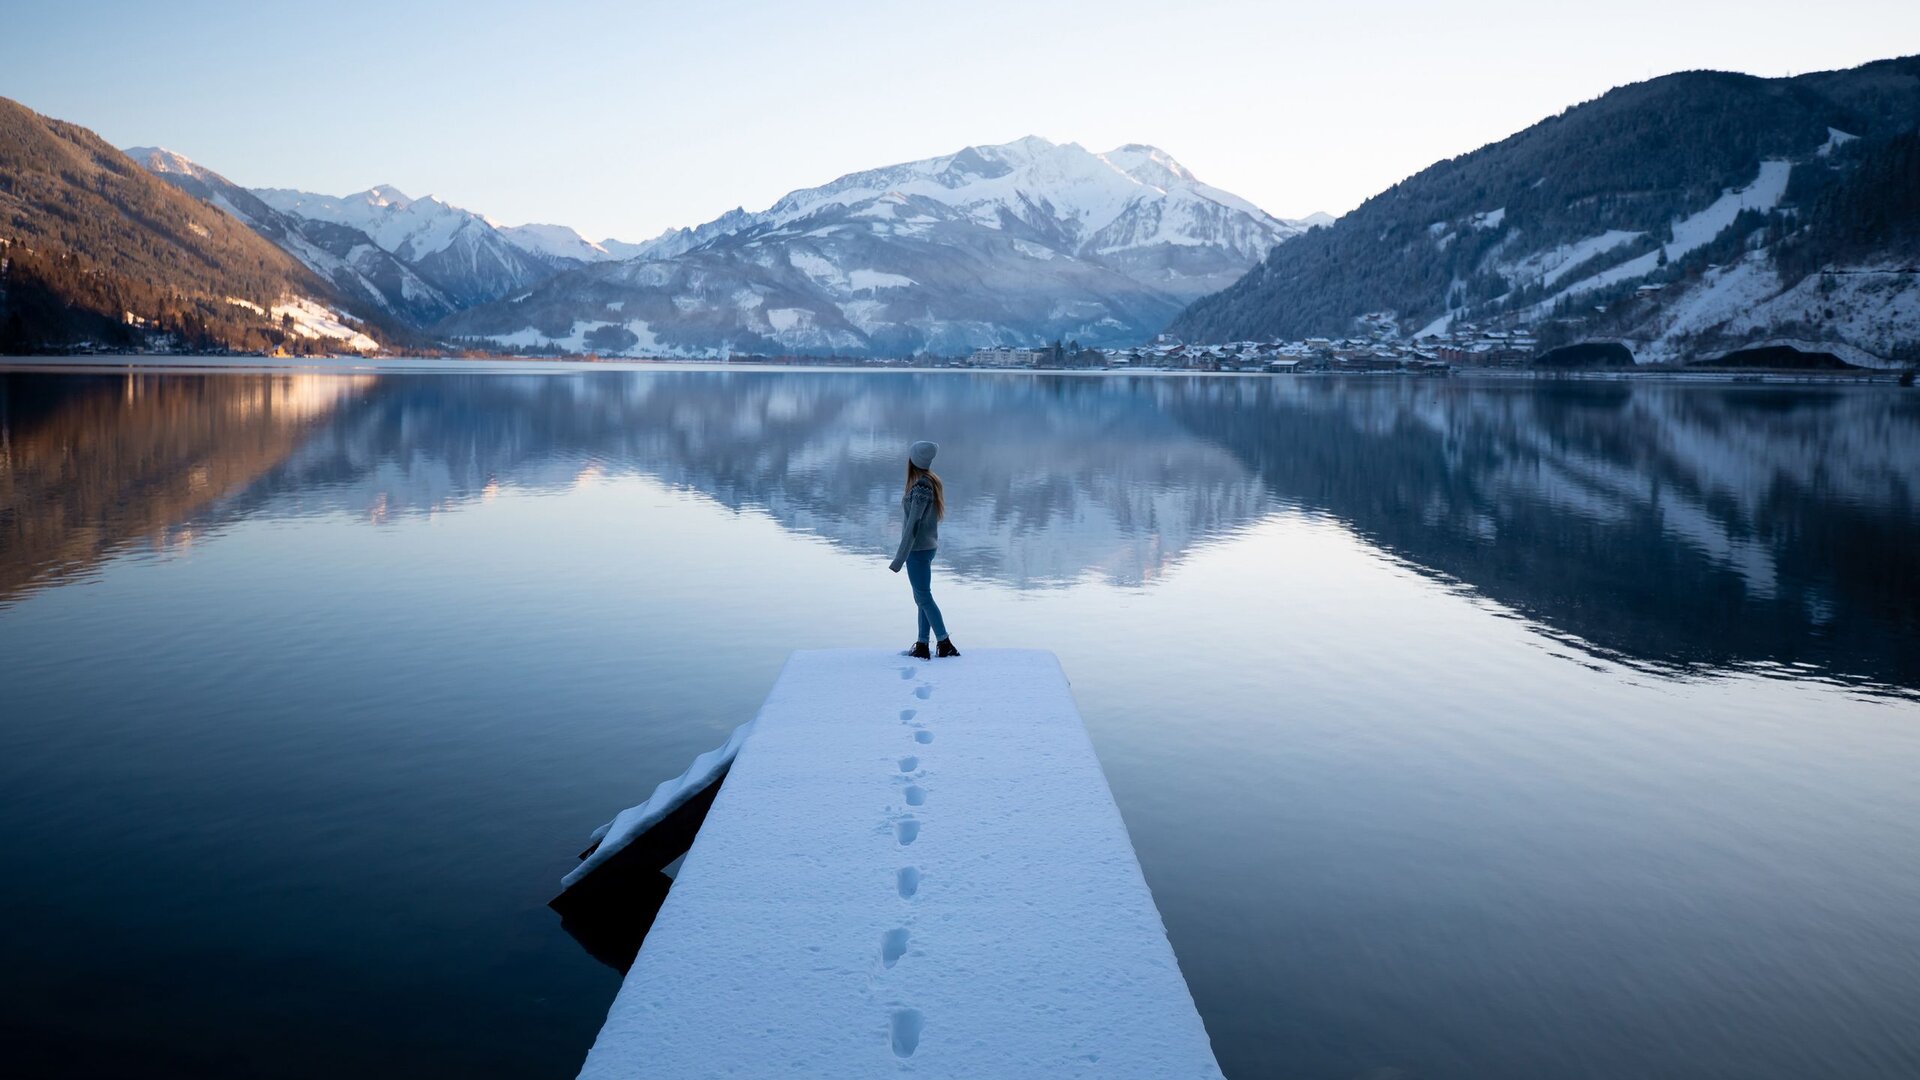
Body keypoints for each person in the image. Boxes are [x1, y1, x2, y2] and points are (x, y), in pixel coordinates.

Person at [889, 440, 959, 659]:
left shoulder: (920, 486)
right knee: (922, 598)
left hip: (917, 550)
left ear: (913, 460)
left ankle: (944, 642)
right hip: (926, 547)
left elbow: (913, 524)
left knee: (924, 598)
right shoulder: (930, 481)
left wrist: (899, 558)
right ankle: (921, 644)